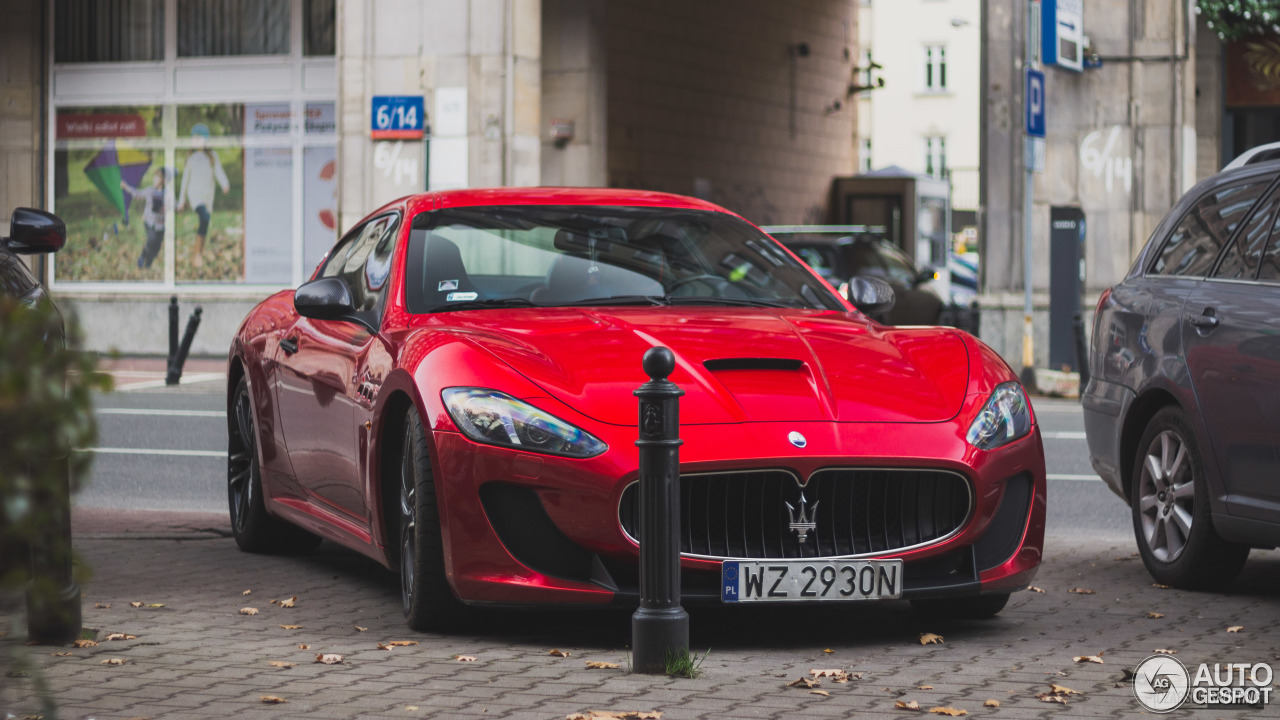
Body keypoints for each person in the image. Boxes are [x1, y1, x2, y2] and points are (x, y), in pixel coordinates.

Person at [177, 124, 229, 268]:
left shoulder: (212, 156)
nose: (196, 141)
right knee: (204, 217)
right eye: (194, 138)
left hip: (207, 196)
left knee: (205, 222)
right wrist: (181, 200)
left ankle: (198, 252)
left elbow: (218, 170)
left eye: (199, 138)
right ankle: (197, 254)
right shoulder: (191, 158)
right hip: (195, 195)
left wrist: (225, 184)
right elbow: (185, 180)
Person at [120, 167, 169, 269]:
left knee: (156, 248)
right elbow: (138, 193)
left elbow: (173, 204)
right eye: (154, 177)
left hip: (161, 225)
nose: (155, 180)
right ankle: (142, 257)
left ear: (164, 180)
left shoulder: (167, 193)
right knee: (151, 240)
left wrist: (180, 206)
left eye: (158, 178)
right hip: (149, 222)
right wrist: (126, 187)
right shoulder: (150, 190)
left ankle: (148, 264)